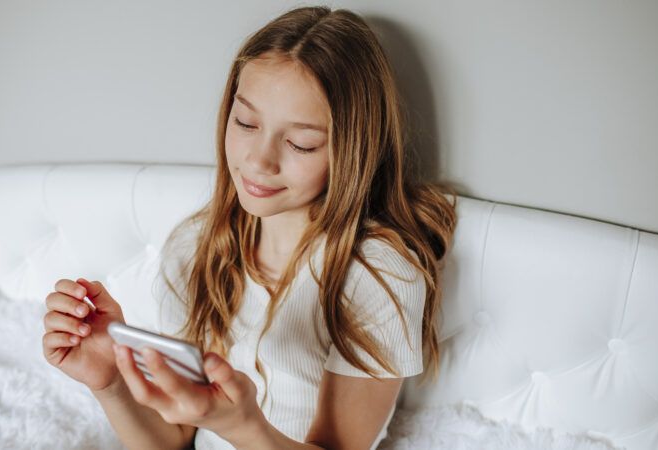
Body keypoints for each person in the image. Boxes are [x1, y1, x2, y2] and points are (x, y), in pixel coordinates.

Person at [42, 5, 457, 450]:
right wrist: (110, 383)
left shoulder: (381, 274)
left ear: (351, 151)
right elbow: (174, 439)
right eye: (245, 122)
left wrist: (243, 426)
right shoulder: (195, 246)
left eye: (301, 143)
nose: (259, 161)